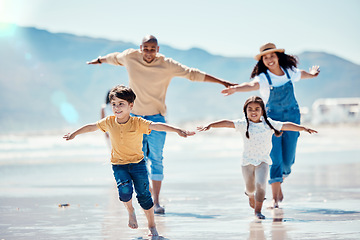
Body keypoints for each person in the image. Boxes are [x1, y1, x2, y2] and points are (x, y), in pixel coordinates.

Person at [87, 35, 236, 214]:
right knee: (137, 159)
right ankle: (147, 198)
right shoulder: (130, 57)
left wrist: (222, 82)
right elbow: (114, 57)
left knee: (156, 159)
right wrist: (99, 60)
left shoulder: (167, 64)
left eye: (152, 49)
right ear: (140, 47)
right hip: (133, 119)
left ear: (157, 50)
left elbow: (192, 74)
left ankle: (156, 202)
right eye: (145, 48)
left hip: (156, 118)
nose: (148, 52)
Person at [63, 85, 195, 236]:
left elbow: (157, 125)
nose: (117, 108)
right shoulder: (109, 121)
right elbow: (92, 127)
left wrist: (178, 130)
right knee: (125, 192)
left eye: (121, 104)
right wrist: (74, 133)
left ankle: (152, 226)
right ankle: (130, 210)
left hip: (138, 164)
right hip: (119, 165)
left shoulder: (138, 122)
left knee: (144, 196)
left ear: (131, 105)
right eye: (114, 104)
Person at [221, 43, 320, 208]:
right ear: (262, 61)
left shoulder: (290, 72)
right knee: (275, 159)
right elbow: (251, 86)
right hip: (271, 121)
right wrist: (236, 89)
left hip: (292, 118)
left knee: (288, 162)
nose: (269, 60)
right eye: (265, 58)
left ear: (278, 57)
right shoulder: (263, 78)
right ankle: (275, 199)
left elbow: (302, 74)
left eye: (271, 56)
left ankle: (280, 179)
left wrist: (312, 74)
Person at [197, 96, 317, 219]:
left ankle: (258, 212)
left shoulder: (269, 124)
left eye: (257, 109)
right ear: (245, 111)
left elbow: (286, 125)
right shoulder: (243, 124)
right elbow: (227, 123)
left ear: (262, 111)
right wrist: (211, 125)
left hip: (263, 161)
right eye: (250, 109)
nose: (253, 112)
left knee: (261, 185)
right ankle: (249, 195)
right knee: (250, 188)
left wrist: (303, 128)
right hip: (247, 162)